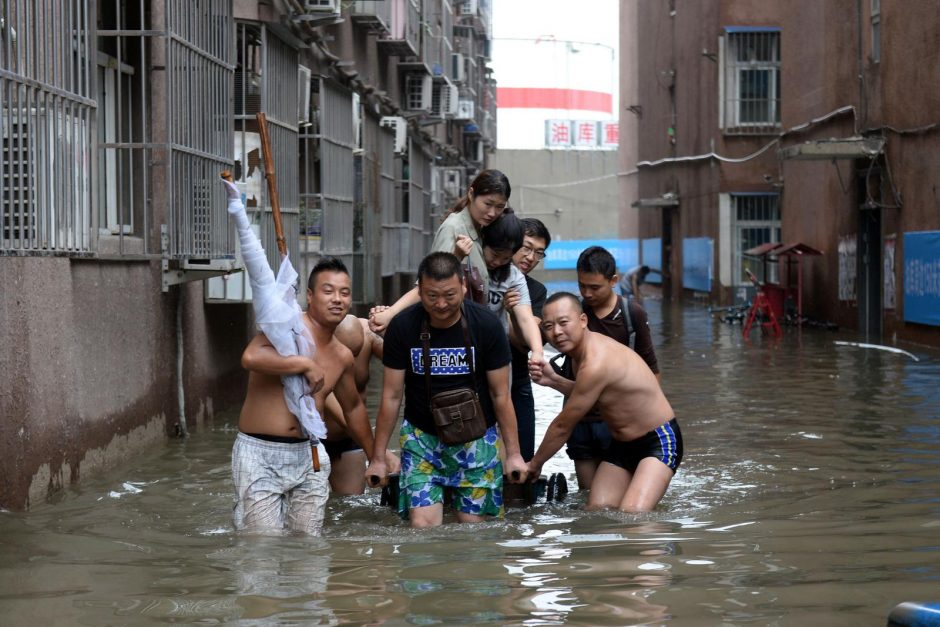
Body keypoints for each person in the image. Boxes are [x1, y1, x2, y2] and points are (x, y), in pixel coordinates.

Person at [365, 252, 528, 528]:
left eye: (450, 295)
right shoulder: (403, 327)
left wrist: (513, 453)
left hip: (476, 439)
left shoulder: (487, 326)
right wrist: (378, 458)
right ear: (420, 290)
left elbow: (501, 395)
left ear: (464, 287)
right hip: (421, 439)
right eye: (431, 296)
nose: (441, 304)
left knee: (473, 533)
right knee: (423, 529)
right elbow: (391, 397)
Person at [231, 257, 375, 534]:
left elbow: (353, 408)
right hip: (260, 451)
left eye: (344, 293)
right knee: (262, 545)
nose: (337, 299)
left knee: (307, 547)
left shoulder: (342, 355)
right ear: (310, 295)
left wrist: (376, 456)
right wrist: (303, 363)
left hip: (309, 453)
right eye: (328, 291)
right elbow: (250, 357)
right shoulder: (285, 326)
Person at [528, 293, 683, 512]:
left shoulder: (595, 361)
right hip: (622, 445)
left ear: (583, 321)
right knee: (597, 510)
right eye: (549, 326)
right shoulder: (578, 355)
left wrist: (534, 465)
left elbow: (563, 426)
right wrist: (554, 380)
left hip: (658, 440)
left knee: (633, 515)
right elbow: (594, 395)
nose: (557, 332)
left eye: (564, 323)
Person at [533, 246, 660, 491]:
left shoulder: (631, 314)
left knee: (619, 495)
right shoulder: (572, 314)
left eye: (595, 287)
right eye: (582, 286)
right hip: (580, 418)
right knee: (588, 496)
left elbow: (651, 369)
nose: (587, 294)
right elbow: (540, 334)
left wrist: (647, 417)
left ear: (614, 281)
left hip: (618, 421)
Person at [368, 170, 511, 334]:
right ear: (471, 194)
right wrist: (390, 314)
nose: (492, 213)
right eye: (487, 204)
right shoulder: (454, 228)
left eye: (499, 207)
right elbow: (430, 282)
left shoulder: (481, 229)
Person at [322, 315, 399, 495]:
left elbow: (404, 364)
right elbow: (342, 410)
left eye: (353, 355)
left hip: (350, 439)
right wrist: (379, 453)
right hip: (312, 438)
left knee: (349, 505)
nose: (347, 361)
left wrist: (392, 330)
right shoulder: (311, 344)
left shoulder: (369, 334)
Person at [504, 218, 551, 461]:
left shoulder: (536, 291)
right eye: (527, 247)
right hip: (481, 381)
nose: (531, 257)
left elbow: (525, 344)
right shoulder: (488, 277)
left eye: (539, 253)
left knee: (522, 458)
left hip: (519, 380)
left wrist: (514, 312)